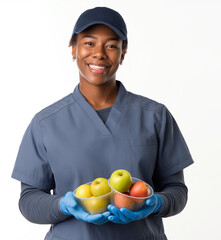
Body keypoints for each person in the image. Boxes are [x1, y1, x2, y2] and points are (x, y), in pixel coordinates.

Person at [11, 6, 194, 240]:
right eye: (89, 43)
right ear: (73, 48)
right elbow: (29, 200)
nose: (99, 53)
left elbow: (177, 192)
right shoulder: (46, 123)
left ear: (123, 52)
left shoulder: (155, 116)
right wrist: (62, 205)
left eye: (110, 45)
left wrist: (155, 202)